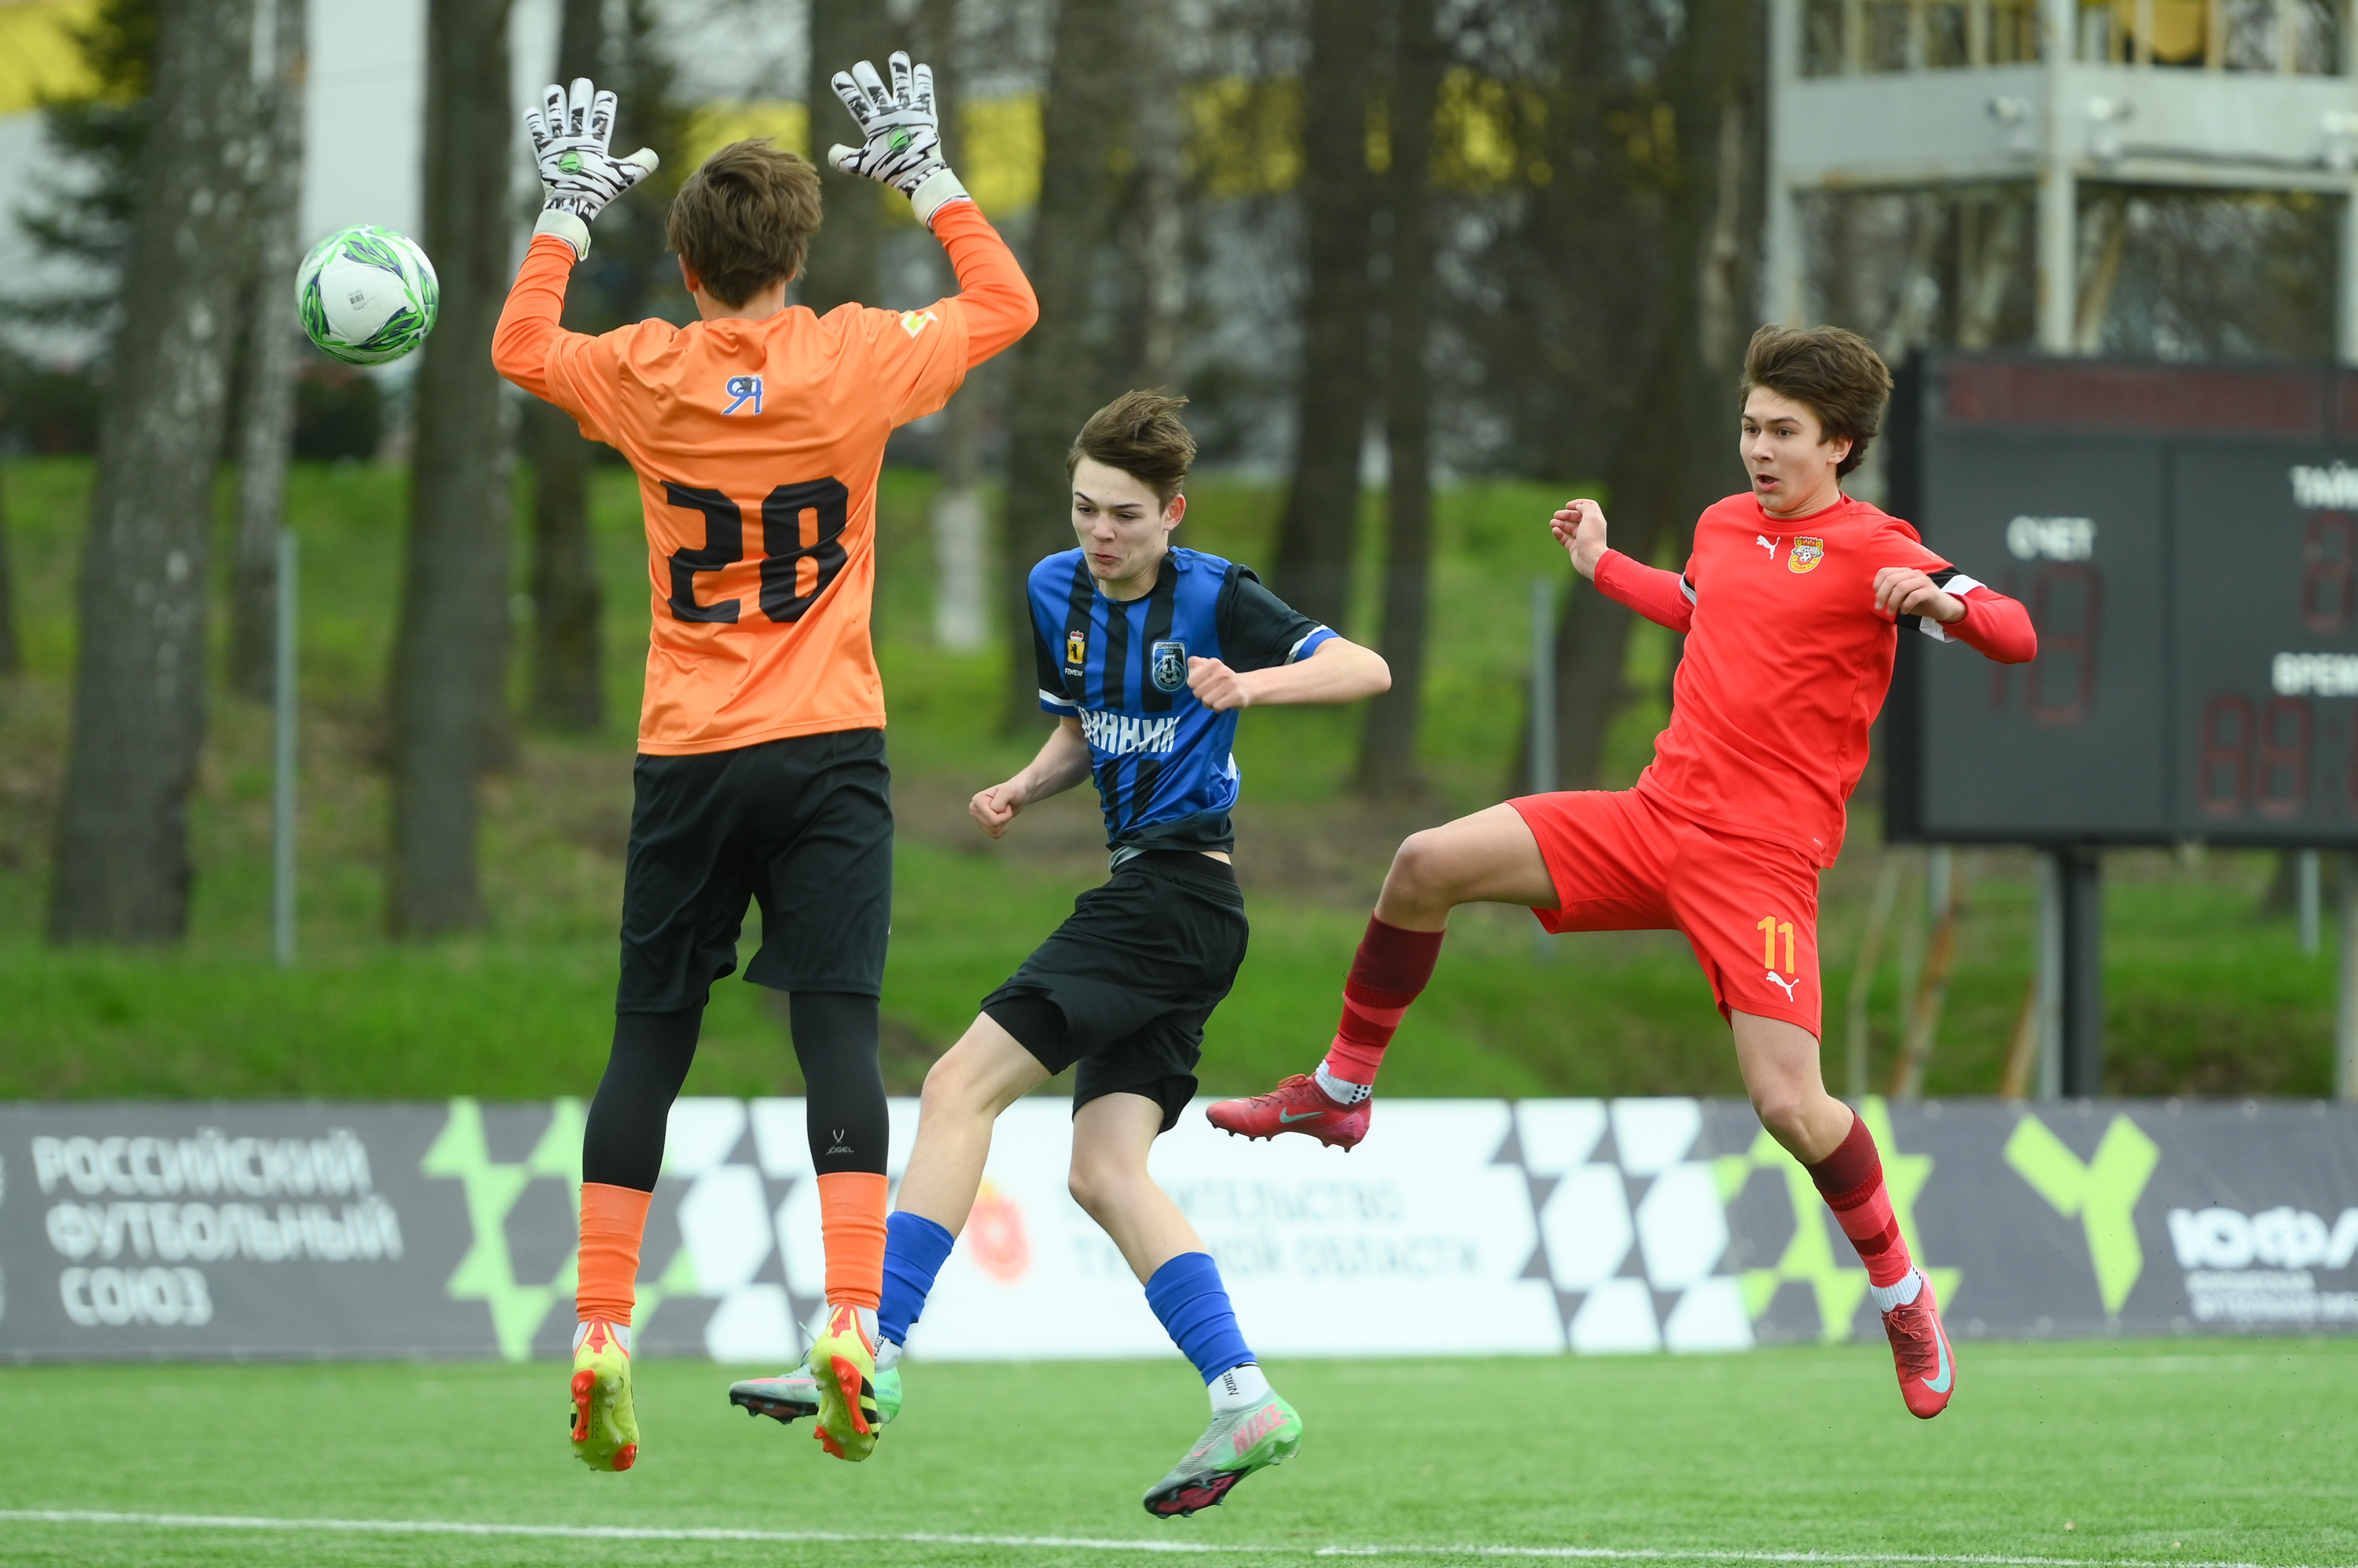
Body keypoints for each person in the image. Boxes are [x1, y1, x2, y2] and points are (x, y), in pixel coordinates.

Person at [1207, 325, 2037, 1420]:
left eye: (1784, 432)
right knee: (1424, 864)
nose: (1759, 449)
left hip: (1761, 866)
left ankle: (1901, 1292)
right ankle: (1342, 1092)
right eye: (1750, 427)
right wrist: (1601, 565)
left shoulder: (1877, 545)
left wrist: (1943, 604)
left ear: (1839, 445)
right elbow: (1702, 604)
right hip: (1652, 821)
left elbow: (2017, 633)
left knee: (1791, 1106)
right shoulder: (1725, 522)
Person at [490, 56, 1037, 1471]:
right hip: (826, 746)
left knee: (648, 1042)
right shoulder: (857, 356)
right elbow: (1006, 305)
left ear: (686, 266)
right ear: (796, 258)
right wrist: (928, 175)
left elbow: (519, 344)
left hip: (688, 750)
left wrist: (564, 211)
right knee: (837, 1034)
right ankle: (852, 1319)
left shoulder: (645, 371)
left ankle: (600, 1333)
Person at [729, 391, 1391, 1513]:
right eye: (1086, 507)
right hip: (1176, 914)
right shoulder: (1055, 588)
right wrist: (1025, 786)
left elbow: (1365, 667)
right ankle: (1243, 1397)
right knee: (1104, 1171)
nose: (1101, 532)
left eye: (1126, 514)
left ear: (1172, 513)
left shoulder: (1218, 595)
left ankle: (868, 1347)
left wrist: (1253, 682)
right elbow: (1087, 724)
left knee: (958, 1086)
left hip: (1173, 898)